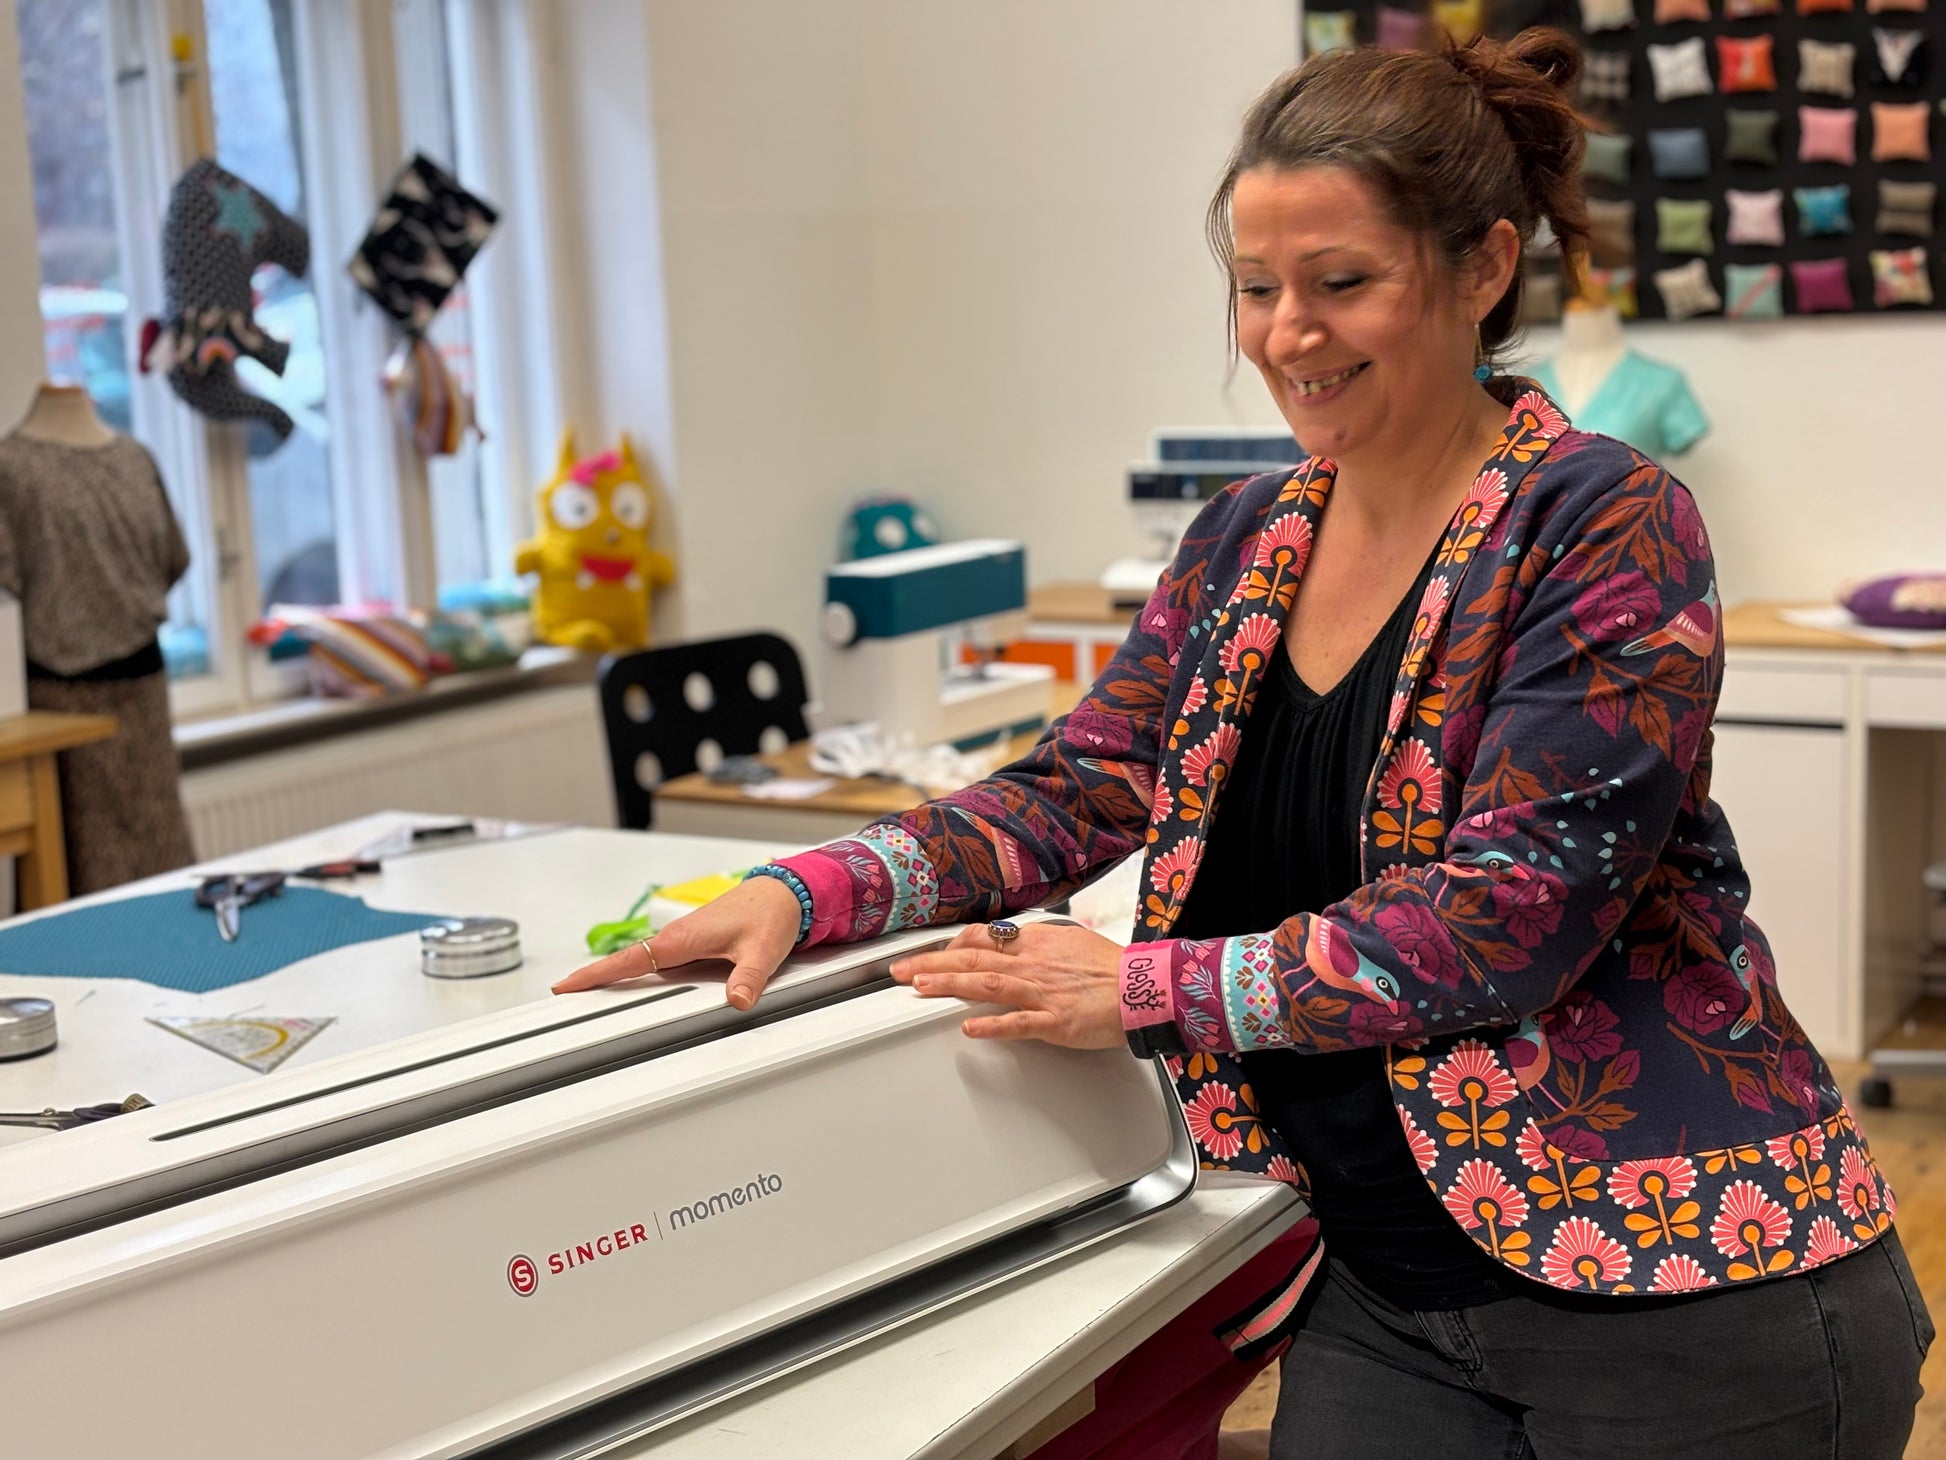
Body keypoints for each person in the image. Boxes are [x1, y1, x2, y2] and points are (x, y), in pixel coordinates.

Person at [557, 30, 1929, 1459]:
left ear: (1480, 269)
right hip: (1380, 1292)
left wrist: (1142, 990)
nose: (1287, 334)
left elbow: (1507, 916)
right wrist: (805, 889)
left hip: (1686, 1293)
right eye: (1257, 289)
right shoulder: (1240, 542)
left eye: (1342, 283)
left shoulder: (1600, 520)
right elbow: (1076, 790)